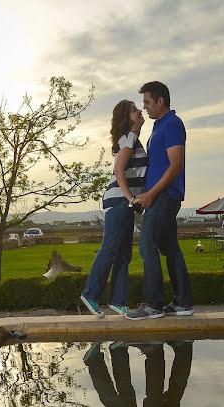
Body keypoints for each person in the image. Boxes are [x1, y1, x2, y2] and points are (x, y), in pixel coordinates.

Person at [125, 81, 194, 320]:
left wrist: (152, 194)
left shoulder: (172, 124)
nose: (144, 107)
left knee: (147, 246)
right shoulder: (159, 126)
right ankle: (183, 304)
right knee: (170, 249)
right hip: (159, 196)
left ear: (160, 101)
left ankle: (153, 305)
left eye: (147, 102)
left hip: (164, 196)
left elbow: (176, 165)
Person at [80, 100, 147, 317]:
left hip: (123, 203)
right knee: (110, 248)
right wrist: (130, 198)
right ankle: (90, 294)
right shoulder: (128, 138)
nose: (140, 111)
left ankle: (118, 301)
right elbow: (119, 170)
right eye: (135, 110)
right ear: (128, 118)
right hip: (119, 201)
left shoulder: (133, 139)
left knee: (123, 254)